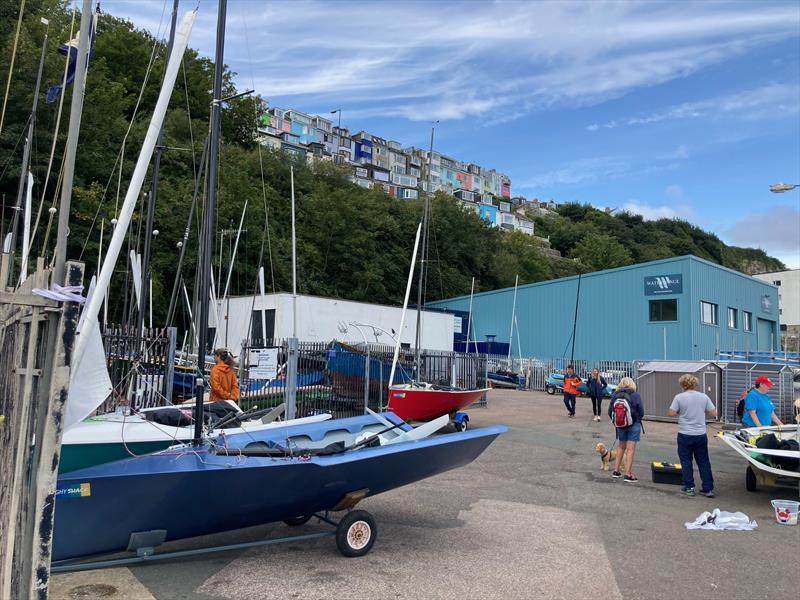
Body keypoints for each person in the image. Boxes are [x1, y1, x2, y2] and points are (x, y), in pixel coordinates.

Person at [667, 374, 717, 498]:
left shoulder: (679, 397)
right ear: (695, 384)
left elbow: (671, 413)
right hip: (700, 433)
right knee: (703, 461)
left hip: (685, 433)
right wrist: (702, 410)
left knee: (686, 461)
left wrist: (681, 411)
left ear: (682, 385)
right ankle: (707, 488)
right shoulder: (703, 397)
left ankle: (689, 487)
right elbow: (713, 413)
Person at [607, 376, 644, 482]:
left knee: (621, 447)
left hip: (620, 424)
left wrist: (617, 421)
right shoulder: (635, 395)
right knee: (630, 449)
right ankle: (627, 474)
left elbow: (610, 411)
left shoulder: (615, 394)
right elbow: (641, 411)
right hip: (633, 424)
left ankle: (616, 471)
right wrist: (636, 419)